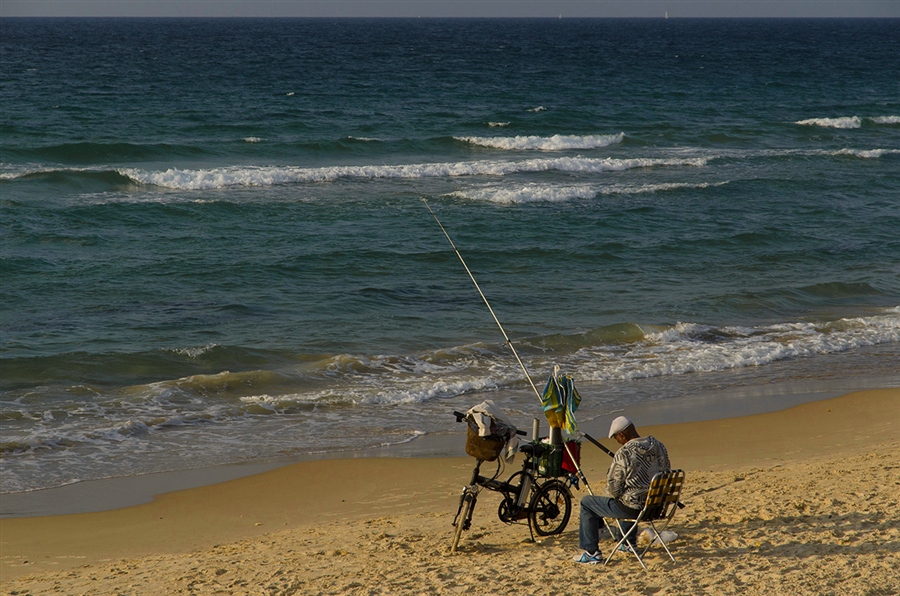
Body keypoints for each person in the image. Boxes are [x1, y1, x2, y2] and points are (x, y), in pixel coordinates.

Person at [573, 415, 671, 564]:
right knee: (629, 496)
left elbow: (614, 490)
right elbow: (666, 470)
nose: (617, 442)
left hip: (635, 509)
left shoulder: (624, 453)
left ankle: (591, 552)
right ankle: (627, 544)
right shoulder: (658, 445)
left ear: (621, 434)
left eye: (616, 438)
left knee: (587, 503)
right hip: (656, 506)